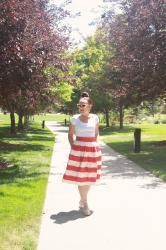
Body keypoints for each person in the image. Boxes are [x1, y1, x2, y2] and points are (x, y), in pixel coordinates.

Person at [62, 92, 102, 216]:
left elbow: (96, 133)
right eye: (79, 105)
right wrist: (74, 147)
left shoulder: (95, 118)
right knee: (81, 177)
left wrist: (95, 145)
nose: (81, 107)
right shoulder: (74, 119)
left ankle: (82, 199)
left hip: (92, 150)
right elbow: (70, 135)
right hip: (78, 150)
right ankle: (85, 204)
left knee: (90, 177)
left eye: (83, 105)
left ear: (90, 105)